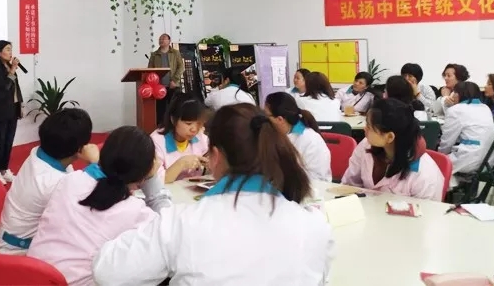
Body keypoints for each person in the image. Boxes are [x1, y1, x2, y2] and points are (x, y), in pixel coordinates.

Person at [92, 103, 333, 286]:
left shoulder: (183, 223)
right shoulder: (315, 225)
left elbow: (107, 271)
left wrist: (157, 201)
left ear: (215, 156)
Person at [27, 126, 171, 286]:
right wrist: (151, 178)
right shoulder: (134, 210)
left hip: (31, 276)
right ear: (143, 173)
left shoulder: (71, 180)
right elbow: (170, 230)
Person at [0, 109, 99, 255]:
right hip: (18, 255)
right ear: (80, 148)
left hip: (13, 243)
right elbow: (96, 202)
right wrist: (96, 163)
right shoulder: (56, 183)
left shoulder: (38, 153)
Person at [341, 98, 445, 200]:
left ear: (390, 137)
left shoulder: (425, 175)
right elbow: (349, 185)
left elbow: (426, 211)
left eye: (369, 126)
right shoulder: (366, 144)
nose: (364, 128)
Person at [265, 92, 332, 182]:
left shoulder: (311, 140)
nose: (264, 120)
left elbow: (315, 179)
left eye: (266, 116)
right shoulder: (273, 135)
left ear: (280, 119)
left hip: (311, 187)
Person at [439, 81, 494, 183]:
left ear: (457, 94)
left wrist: (439, 155)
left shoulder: (456, 110)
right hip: (489, 161)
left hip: (469, 160)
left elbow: (447, 142)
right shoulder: (485, 108)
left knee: (433, 164)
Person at [150, 93, 209, 183]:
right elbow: (156, 181)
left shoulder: (200, 137)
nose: (194, 129)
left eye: (199, 123)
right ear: (173, 120)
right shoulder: (156, 141)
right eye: (188, 123)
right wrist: (181, 163)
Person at [0, 40, 24, 184]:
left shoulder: (8, 66)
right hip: (1, 111)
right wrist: (13, 69)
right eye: (7, 49)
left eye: (11, 49)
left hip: (12, 109)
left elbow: (15, 89)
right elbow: (4, 87)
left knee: (9, 142)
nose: (10, 52)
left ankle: (4, 169)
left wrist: (20, 105)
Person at [147, 33, 185, 125]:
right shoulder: (154, 55)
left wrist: (174, 80)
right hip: (159, 87)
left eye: (163, 38)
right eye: (160, 39)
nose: (161, 40)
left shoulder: (175, 53)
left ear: (169, 41)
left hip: (173, 85)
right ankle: (161, 127)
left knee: (174, 108)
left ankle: (174, 126)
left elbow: (181, 67)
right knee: (160, 110)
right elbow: (150, 69)